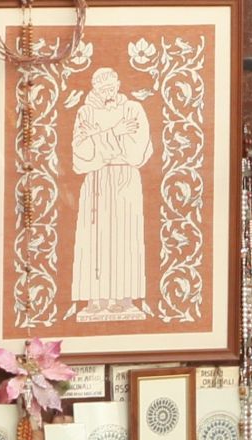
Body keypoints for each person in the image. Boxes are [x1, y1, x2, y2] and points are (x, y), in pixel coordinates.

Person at [70, 67, 152, 319]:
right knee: (96, 237)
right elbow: (81, 149)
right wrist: (115, 134)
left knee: (125, 236)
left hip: (125, 178)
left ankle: (124, 297)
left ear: (118, 84)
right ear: (94, 87)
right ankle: (96, 298)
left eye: (111, 86)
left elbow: (140, 147)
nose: (108, 91)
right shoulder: (85, 112)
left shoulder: (133, 109)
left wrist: (101, 139)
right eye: (102, 87)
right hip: (97, 180)